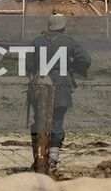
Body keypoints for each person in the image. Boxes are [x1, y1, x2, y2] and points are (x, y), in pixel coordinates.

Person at [28, 13, 91, 170]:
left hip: (39, 87)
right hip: (61, 87)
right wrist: (72, 68)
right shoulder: (69, 42)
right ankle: (52, 161)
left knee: (39, 122)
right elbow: (86, 60)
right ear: (63, 27)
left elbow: (28, 66)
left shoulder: (37, 41)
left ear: (48, 26)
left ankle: (39, 158)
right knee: (56, 123)